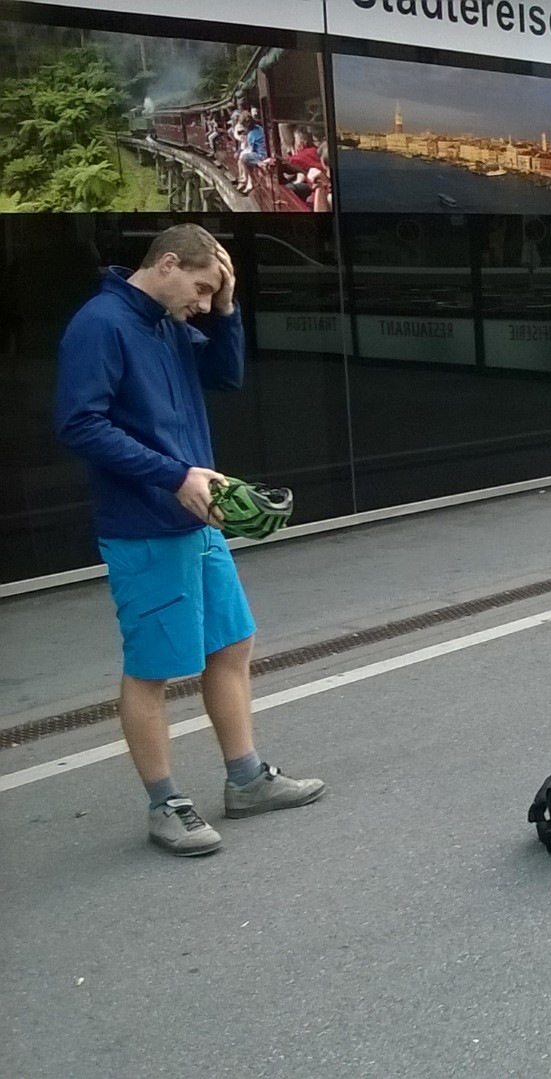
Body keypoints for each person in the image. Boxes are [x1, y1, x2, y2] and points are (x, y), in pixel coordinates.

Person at [53, 223, 325, 857]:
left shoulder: (165, 321)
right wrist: (174, 474)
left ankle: (246, 780)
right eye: (201, 289)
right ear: (168, 263)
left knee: (231, 643)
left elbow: (225, 378)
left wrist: (228, 310)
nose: (202, 303)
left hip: (196, 519)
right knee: (152, 669)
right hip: (144, 525)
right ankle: (164, 804)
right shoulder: (101, 324)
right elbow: (78, 423)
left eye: (212, 295)